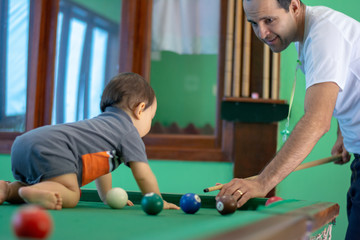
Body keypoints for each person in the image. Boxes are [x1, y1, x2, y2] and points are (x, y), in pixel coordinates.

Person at [217, 0, 360, 238]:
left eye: (269, 20)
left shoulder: (324, 35)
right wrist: (344, 132)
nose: (261, 33)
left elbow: (316, 120)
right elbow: (347, 82)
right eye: (254, 23)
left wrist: (262, 182)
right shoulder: (308, 32)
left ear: (294, 6)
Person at [0, 72, 179, 211]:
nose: (150, 122)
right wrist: (157, 199)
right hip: (53, 147)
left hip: (22, 144)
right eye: (151, 117)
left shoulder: (101, 127)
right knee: (71, 194)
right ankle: (38, 191)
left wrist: (106, 194)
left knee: (29, 184)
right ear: (140, 110)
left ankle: (8, 190)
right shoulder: (128, 131)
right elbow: (143, 173)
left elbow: (102, 167)